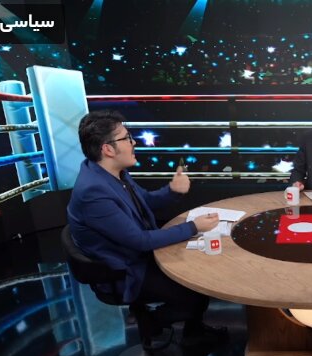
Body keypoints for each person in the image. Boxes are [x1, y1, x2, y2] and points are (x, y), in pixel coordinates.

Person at [67, 110, 225, 343]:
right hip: (125, 270)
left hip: (138, 254)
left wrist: (172, 191)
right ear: (108, 149)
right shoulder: (93, 193)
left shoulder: (113, 172)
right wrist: (194, 227)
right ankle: (151, 323)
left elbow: (145, 201)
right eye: (126, 138)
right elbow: (140, 241)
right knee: (196, 293)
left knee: (199, 271)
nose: (133, 143)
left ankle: (194, 331)